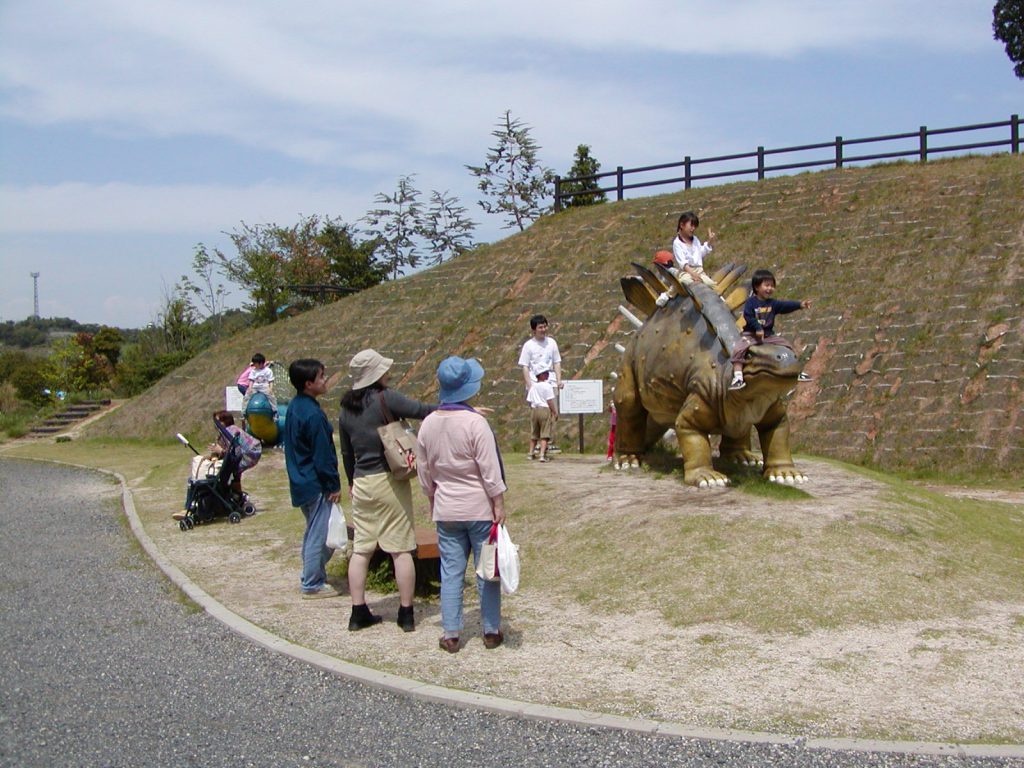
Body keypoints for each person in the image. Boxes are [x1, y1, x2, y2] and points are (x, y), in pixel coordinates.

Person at [338, 349, 436, 632]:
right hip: (389, 480)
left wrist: (351, 481)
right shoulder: (385, 398)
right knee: (401, 549)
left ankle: (358, 611)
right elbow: (421, 410)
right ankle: (406, 613)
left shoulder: (346, 409)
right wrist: (455, 408)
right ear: (375, 374)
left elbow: (346, 452)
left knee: (362, 549)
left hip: (362, 481)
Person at [415, 356, 507, 653]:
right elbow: (489, 468)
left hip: (446, 508)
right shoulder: (476, 423)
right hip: (479, 508)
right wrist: (498, 502)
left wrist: (431, 497)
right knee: (487, 570)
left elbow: (424, 470)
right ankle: (490, 629)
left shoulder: (428, 424)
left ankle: (451, 633)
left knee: (451, 572)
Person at [283, 359, 343, 599]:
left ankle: (314, 573)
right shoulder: (313, 415)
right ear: (308, 383)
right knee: (319, 534)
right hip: (314, 482)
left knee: (314, 531)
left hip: (300, 479)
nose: (325, 380)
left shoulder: (295, 407)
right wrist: (333, 484)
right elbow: (322, 455)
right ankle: (312, 583)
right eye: (321, 377)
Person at [729, 269, 813, 391]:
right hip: (751, 335)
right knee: (738, 349)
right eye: (767, 285)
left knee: (787, 346)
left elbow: (785, 306)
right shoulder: (751, 303)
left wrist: (800, 305)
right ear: (757, 287)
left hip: (768, 335)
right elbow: (748, 317)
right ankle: (738, 378)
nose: (770, 288)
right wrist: (758, 328)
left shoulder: (772, 303)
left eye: (772, 286)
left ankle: (797, 371)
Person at [518, 314, 563, 453]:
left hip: (550, 381)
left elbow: (557, 362)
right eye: (540, 327)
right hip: (535, 383)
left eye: (545, 326)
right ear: (534, 330)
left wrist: (559, 380)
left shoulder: (552, 343)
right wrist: (530, 385)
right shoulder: (528, 345)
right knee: (537, 414)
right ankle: (537, 443)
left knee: (553, 412)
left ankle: (549, 442)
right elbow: (525, 366)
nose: (543, 330)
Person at [655, 211, 717, 307]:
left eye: (695, 226)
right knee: (685, 281)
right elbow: (683, 263)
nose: (693, 228)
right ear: (682, 225)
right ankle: (667, 295)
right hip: (686, 271)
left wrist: (709, 242)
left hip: (699, 271)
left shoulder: (695, 240)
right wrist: (692, 274)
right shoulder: (677, 243)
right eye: (691, 225)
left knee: (711, 284)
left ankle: (719, 300)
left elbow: (700, 253)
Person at [526, 369, 558, 462]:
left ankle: (531, 453)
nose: (547, 375)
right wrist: (554, 411)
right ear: (541, 375)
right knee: (545, 433)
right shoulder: (547, 386)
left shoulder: (533, 386)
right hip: (544, 409)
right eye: (545, 373)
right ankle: (542, 455)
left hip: (534, 409)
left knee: (534, 433)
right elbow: (549, 401)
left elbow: (529, 400)